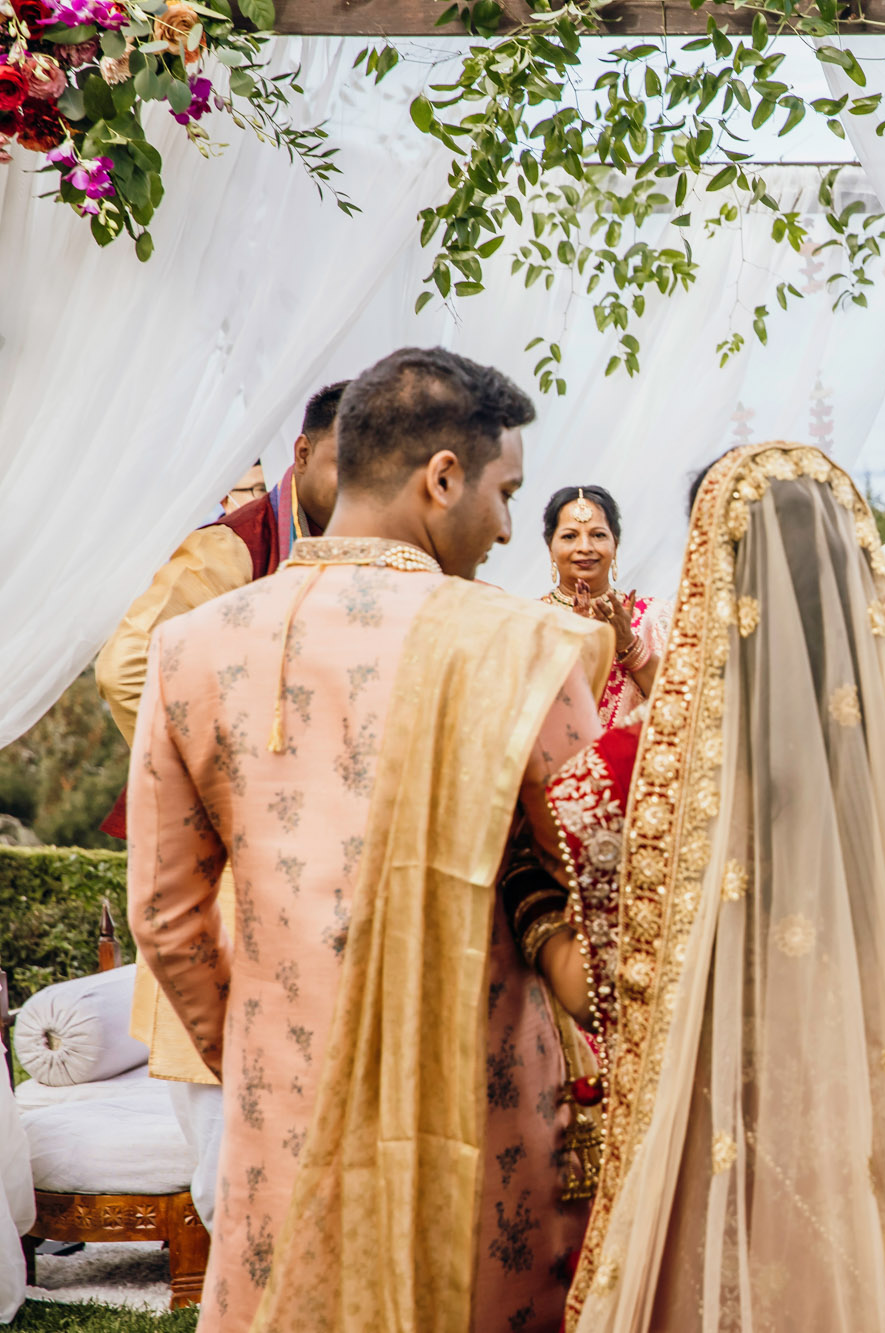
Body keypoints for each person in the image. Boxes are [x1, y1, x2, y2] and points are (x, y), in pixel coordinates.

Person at [537, 442, 885, 1332]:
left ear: (704, 566)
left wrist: (531, 914)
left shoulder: (634, 773)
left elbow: (605, 995)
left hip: (730, 1156)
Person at [125, 347, 612, 1333]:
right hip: (485, 1126)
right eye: (504, 492)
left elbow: (165, 920)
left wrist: (267, 1059)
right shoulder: (521, 647)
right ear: (441, 477)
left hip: (283, 1116)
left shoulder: (190, 649)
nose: (510, 527)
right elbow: (601, 886)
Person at [93, 382, 347, 1228]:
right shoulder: (235, 548)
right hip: (224, 885)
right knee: (229, 1177)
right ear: (303, 456)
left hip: (314, 893)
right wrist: (223, 776)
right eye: (348, 466)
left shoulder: (349, 551)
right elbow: (128, 669)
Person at [542, 484, 663, 725]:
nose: (585, 547)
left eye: (598, 535)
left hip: (633, 761)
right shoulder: (534, 621)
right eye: (569, 536)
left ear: (615, 545)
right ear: (550, 549)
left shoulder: (654, 616)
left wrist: (629, 645)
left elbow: (681, 703)